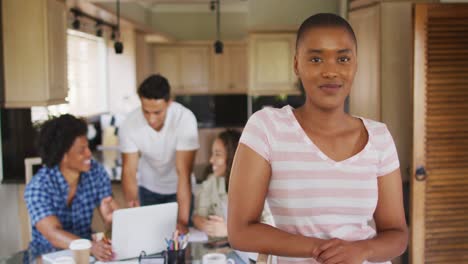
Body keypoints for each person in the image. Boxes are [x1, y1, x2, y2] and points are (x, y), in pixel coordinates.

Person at [227, 13, 408, 264]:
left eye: (343, 58)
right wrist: (325, 250)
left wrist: (361, 251)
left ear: (355, 64)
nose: (331, 71)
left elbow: (397, 235)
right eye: (316, 59)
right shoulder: (267, 128)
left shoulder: (379, 137)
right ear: (296, 65)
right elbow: (240, 232)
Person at [24, 114, 118, 261]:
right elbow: (53, 234)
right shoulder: (38, 187)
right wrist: (90, 246)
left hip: (86, 255)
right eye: (82, 150)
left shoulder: (95, 172)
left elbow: (111, 220)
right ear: (63, 155)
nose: (89, 154)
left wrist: (112, 220)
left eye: (88, 147)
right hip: (47, 255)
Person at [119, 74, 199, 233]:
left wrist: (182, 222)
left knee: (180, 241)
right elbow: (129, 170)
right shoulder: (130, 123)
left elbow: (183, 172)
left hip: (179, 189)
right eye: (146, 111)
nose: (151, 119)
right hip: (148, 187)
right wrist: (132, 201)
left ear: (169, 102)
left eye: (157, 112)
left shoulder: (185, 119)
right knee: (150, 237)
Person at [192, 130, 274, 238]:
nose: (211, 160)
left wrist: (228, 231)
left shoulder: (256, 186)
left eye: (218, 154)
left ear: (233, 157)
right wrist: (206, 225)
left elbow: (271, 228)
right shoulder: (213, 180)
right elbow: (197, 216)